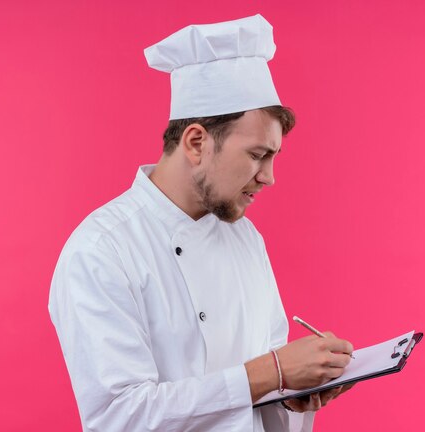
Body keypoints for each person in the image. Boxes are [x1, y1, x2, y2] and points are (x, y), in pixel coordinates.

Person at [49, 14, 354, 431]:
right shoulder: (102, 251)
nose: (268, 177)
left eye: (273, 158)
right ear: (196, 142)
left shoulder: (244, 237)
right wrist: (272, 373)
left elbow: (266, 384)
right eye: (256, 155)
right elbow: (119, 418)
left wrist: (294, 393)